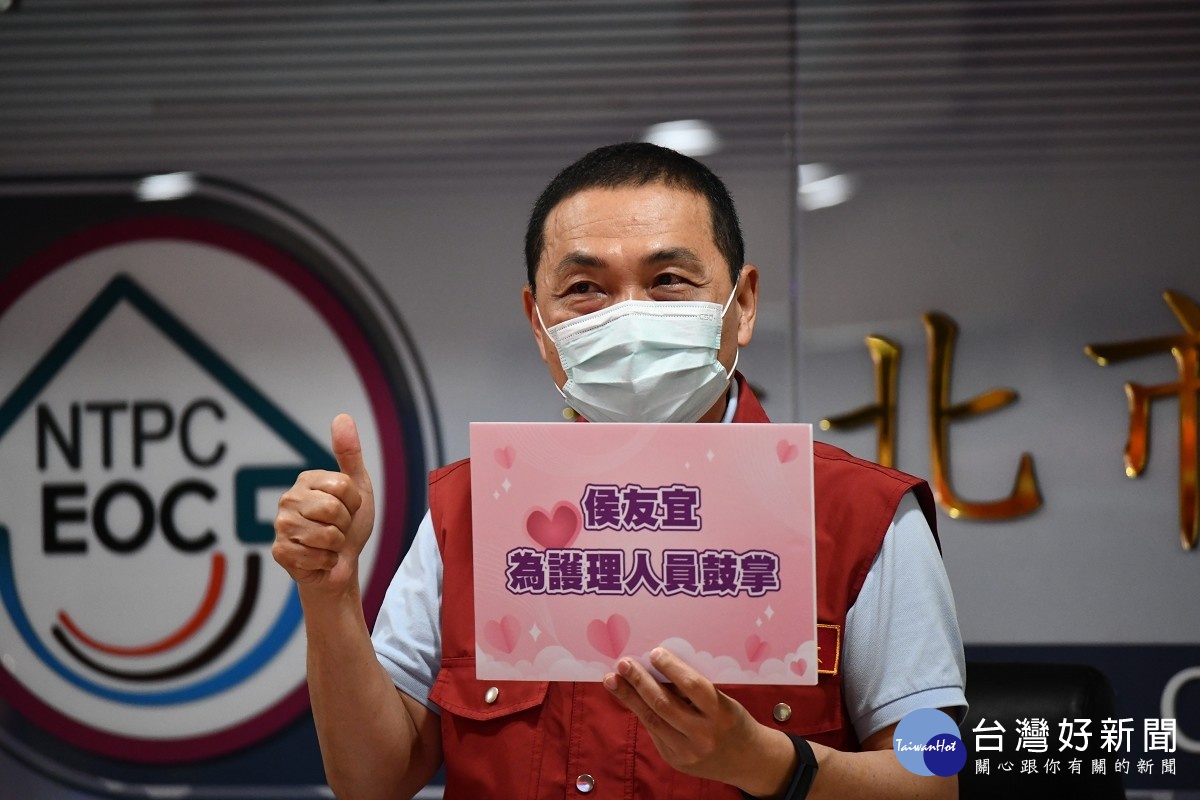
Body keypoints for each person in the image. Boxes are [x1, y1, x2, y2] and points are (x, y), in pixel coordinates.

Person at [273, 142, 966, 800]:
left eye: (668, 280)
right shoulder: (475, 511)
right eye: (585, 288)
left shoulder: (861, 516)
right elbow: (372, 782)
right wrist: (331, 597)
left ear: (743, 303)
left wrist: (769, 763)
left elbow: (935, 774)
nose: (630, 317)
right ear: (538, 323)